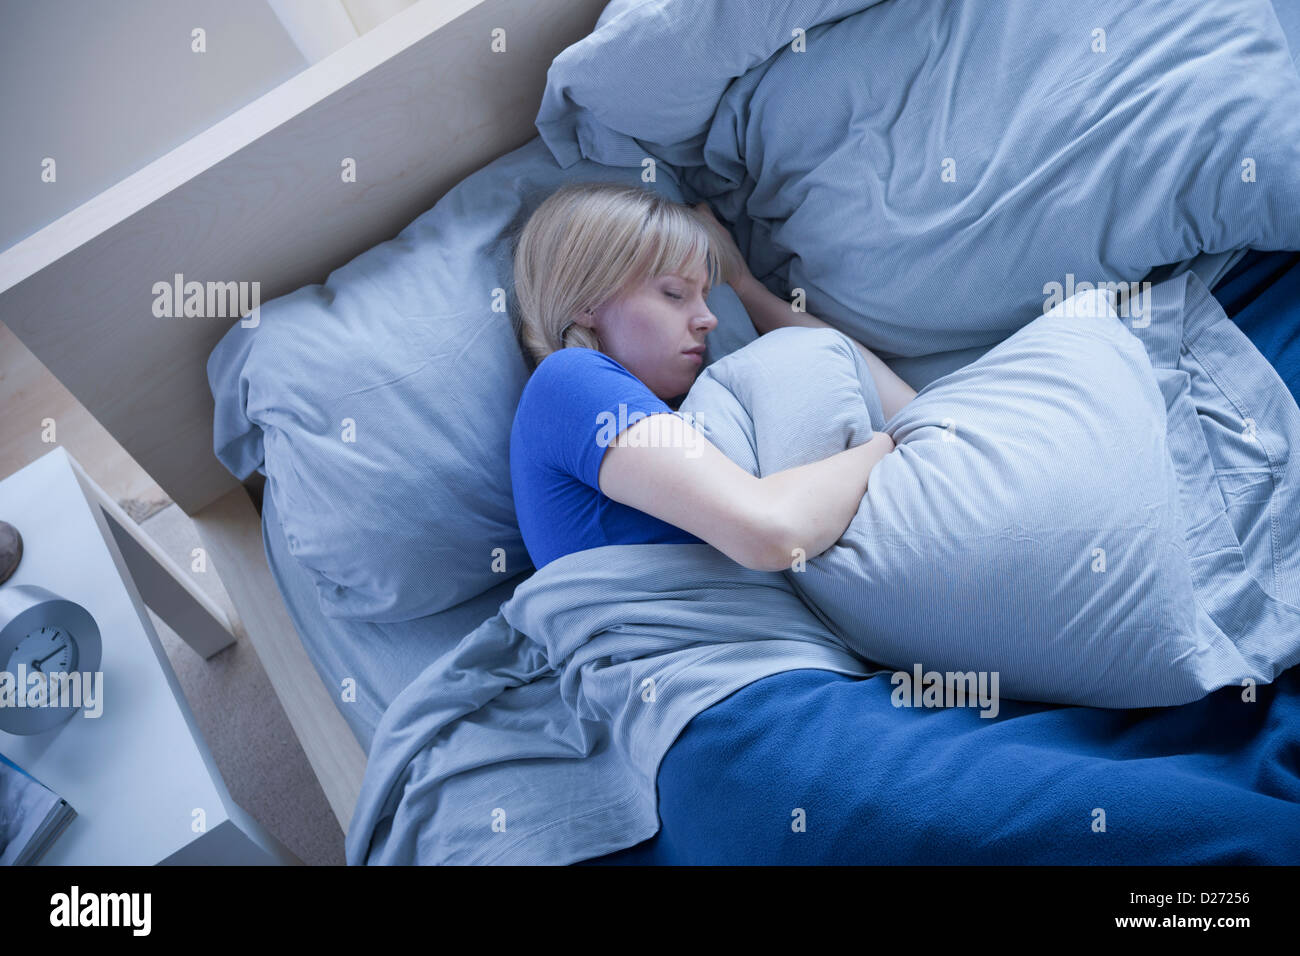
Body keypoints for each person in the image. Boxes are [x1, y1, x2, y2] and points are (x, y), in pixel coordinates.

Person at [509, 181, 915, 574]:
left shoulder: (691, 421)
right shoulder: (567, 381)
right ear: (587, 302)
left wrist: (746, 288)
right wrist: (885, 446)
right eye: (674, 293)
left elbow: (869, 383)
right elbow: (772, 533)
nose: (710, 319)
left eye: (706, 293)